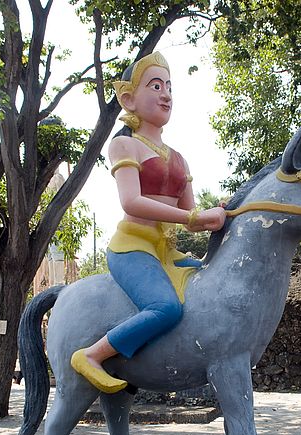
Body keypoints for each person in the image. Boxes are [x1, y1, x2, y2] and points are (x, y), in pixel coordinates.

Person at [70, 51, 226, 393]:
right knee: (165, 307)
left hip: (167, 251)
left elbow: (192, 222)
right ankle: (92, 355)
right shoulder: (125, 145)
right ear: (128, 98)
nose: (166, 94)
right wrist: (192, 216)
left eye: (169, 86)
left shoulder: (180, 158)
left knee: (213, 284)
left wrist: (223, 213)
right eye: (156, 85)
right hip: (133, 247)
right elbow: (132, 202)